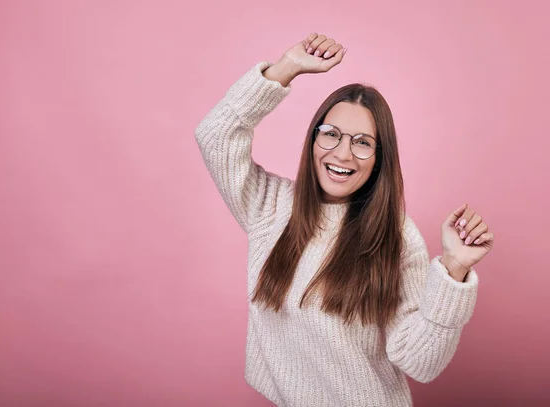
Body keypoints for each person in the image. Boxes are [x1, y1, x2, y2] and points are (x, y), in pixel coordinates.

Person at [194, 32, 494, 407]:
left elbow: (420, 363)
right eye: (331, 134)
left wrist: (453, 270)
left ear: (379, 157)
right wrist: (286, 68)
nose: (342, 153)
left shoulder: (396, 235)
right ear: (312, 140)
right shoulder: (269, 206)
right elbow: (216, 134)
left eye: (362, 142)